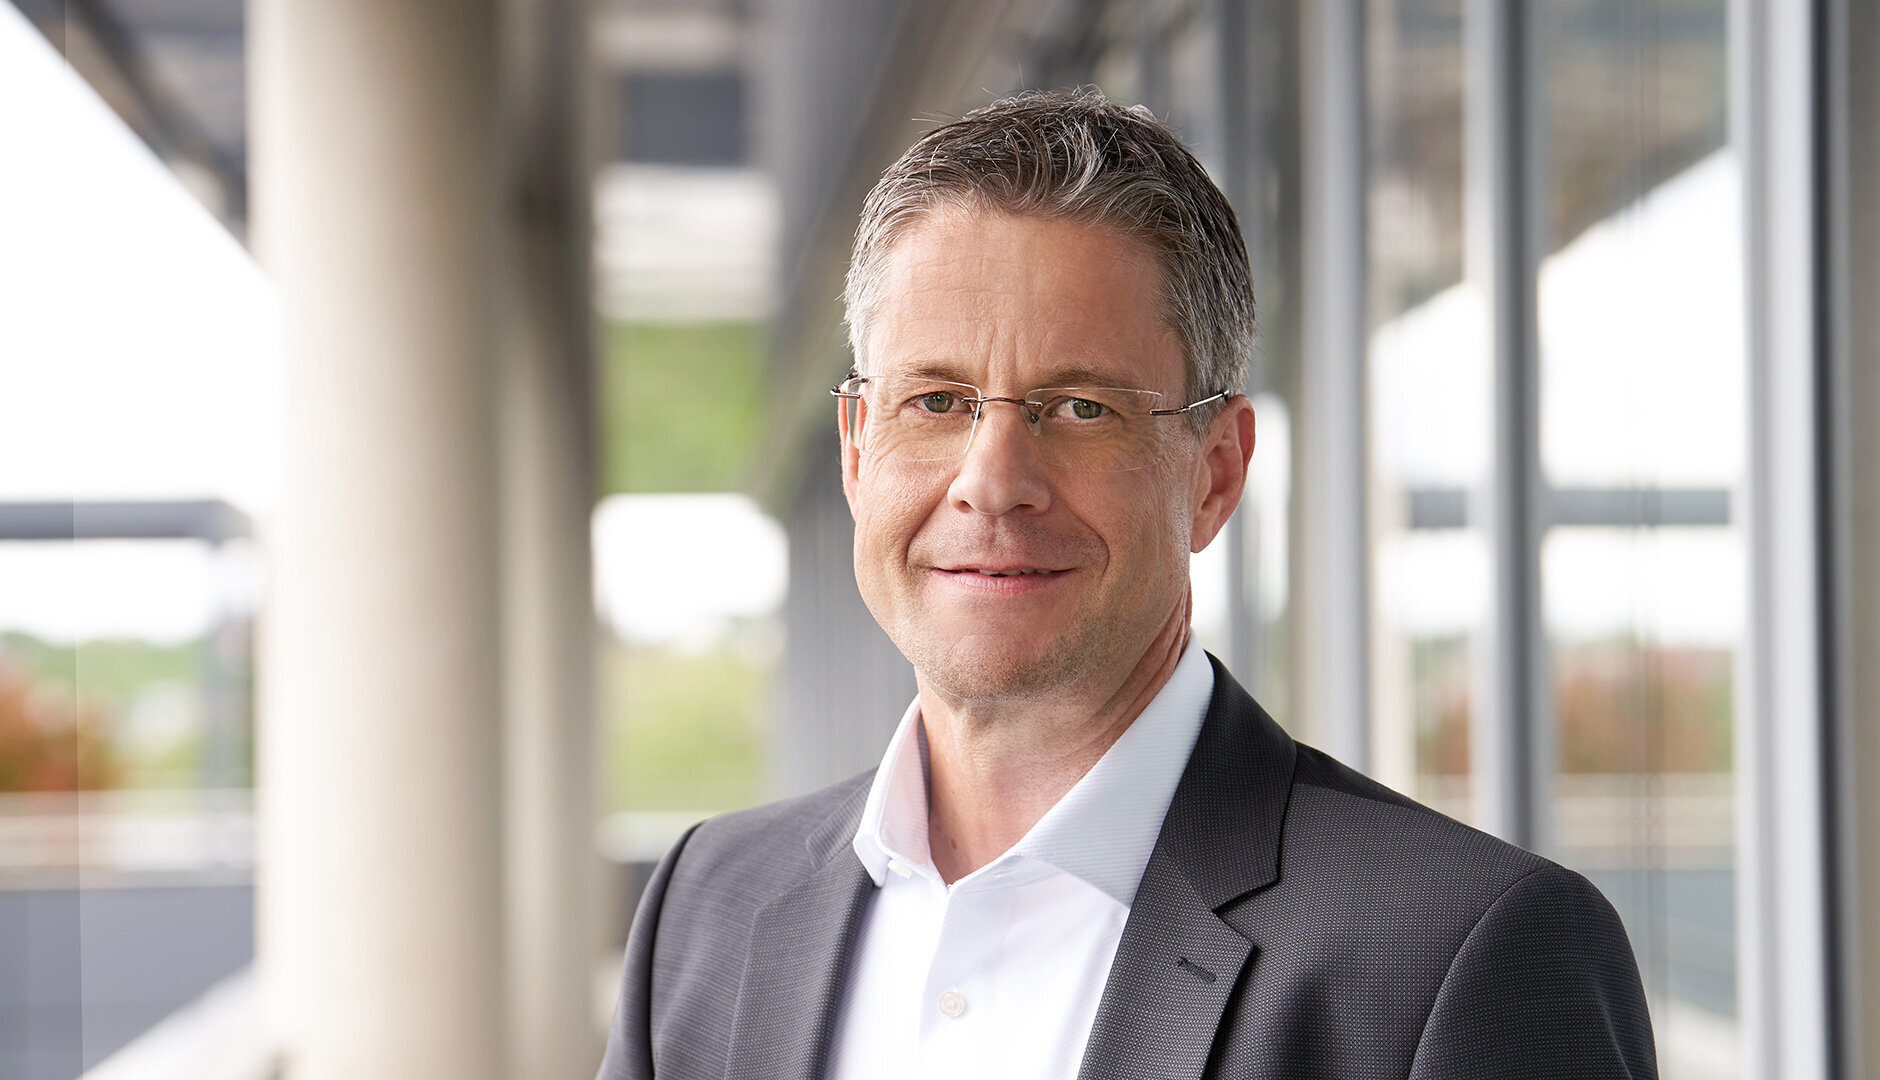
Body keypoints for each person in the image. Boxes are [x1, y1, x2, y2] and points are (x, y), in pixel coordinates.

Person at [598, 89, 1657, 1080]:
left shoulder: (1465, 957)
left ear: (1216, 471)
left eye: (1080, 409)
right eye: (936, 401)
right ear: (855, 449)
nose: (993, 485)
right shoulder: (707, 906)